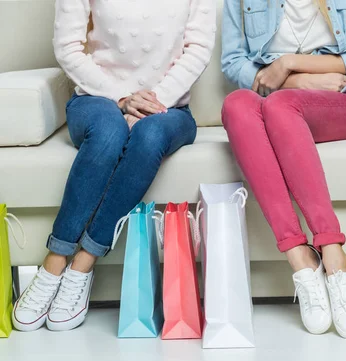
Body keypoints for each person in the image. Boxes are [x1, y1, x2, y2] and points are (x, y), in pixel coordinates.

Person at [12, 0, 216, 332]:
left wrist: (150, 102)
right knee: (109, 132)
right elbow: (67, 47)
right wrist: (121, 97)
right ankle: (54, 261)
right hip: (96, 99)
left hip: (169, 107)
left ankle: (83, 262)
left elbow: (199, 48)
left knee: (149, 137)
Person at [221, 0, 346, 338]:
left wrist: (290, 64)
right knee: (236, 105)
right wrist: (296, 83)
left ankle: (334, 256)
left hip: (340, 101)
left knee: (279, 105)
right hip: (273, 98)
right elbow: (233, 61)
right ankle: (302, 262)